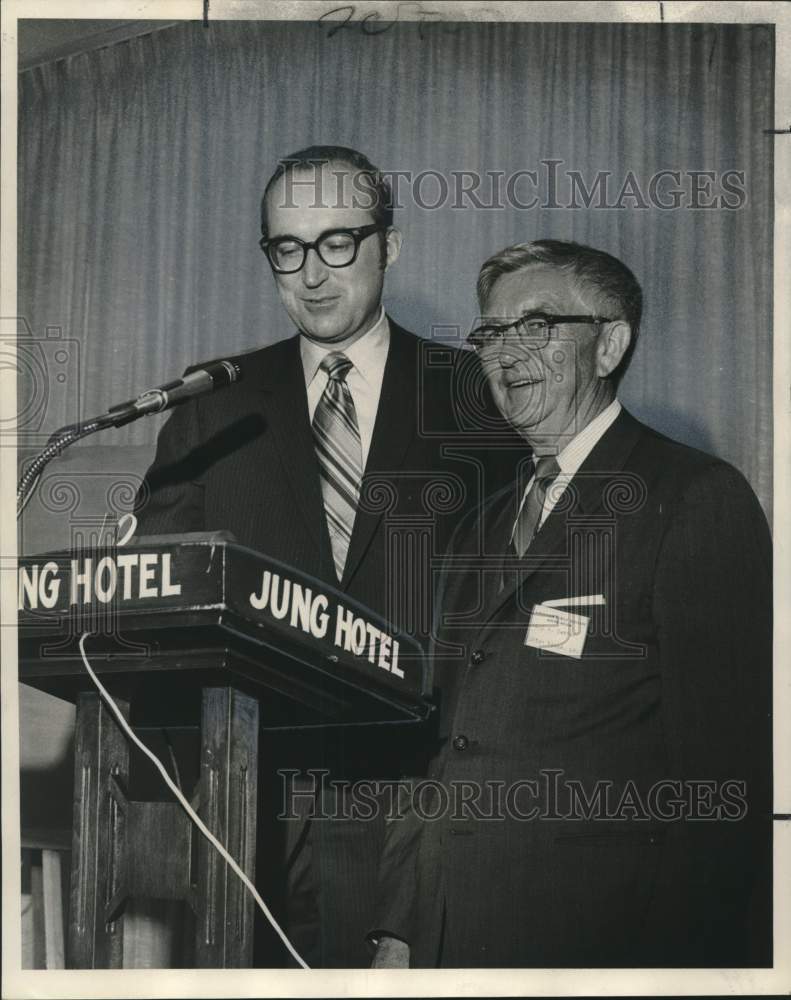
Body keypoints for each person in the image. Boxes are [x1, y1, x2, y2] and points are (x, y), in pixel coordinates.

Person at [134, 145, 521, 967]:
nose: (312, 274)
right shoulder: (213, 406)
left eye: (338, 241)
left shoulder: (474, 398)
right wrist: (183, 790)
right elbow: (154, 616)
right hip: (242, 815)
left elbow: (507, 625)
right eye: (288, 248)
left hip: (415, 811)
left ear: (392, 244)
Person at [371, 239, 772, 968]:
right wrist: (398, 929)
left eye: (538, 325)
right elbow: (436, 750)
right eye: (491, 332)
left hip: (604, 944)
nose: (504, 352)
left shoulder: (693, 498)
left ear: (609, 343)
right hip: (449, 940)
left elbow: (725, 785)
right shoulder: (474, 527)